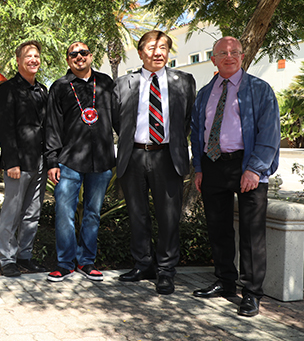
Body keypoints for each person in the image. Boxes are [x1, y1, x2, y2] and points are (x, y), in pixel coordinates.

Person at [191, 36, 280, 317]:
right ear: (213, 59)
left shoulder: (259, 89)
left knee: (252, 234)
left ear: (242, 56)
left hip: (247, 164)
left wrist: (255, 168)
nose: (229, 56)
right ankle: (225, 282)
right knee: (218, 228)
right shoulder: (205, 92)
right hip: (213, 164)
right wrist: (198, 168)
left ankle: (252, 293)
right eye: (222, 52)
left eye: (235, 52)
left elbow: (269, 132)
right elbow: (197, 133)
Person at [113, 30, 196, 295]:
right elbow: (118, 120)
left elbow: (187, 119)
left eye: (163, 47)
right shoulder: (124, 83)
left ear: (168, 52)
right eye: (151, 47)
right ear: (140, 53)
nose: (157, 52)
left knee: (168, 216)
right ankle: (143, 265)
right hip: (134, 155)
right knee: (137, 215)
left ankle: (166, 271)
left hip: (167, 156)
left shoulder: (184, 81)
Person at [45, 42, 115, 282]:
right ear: (68, 60)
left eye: (83, 53)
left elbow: (119, 118)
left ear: (91, 56)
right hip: (68, 162)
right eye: (73, 54)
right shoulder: (60, 87)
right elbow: (52, 127)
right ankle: (65, 263)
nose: (79, 57)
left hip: (101, 161)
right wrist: (52, 161)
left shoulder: (105, 82)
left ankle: (87, 261)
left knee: (93, 214)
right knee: (64, 213)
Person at [0, 40, 48, 277]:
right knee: (12, 211)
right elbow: (4, 128)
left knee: (32, 212)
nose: (33, 59)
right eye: (28, 56)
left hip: (40, 162)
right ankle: (7, 259)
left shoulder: (42, 90)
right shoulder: (7, 89)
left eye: (36, 55)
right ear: (18, 60)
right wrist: (11, 161)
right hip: (19, 163)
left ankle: (24, 255)